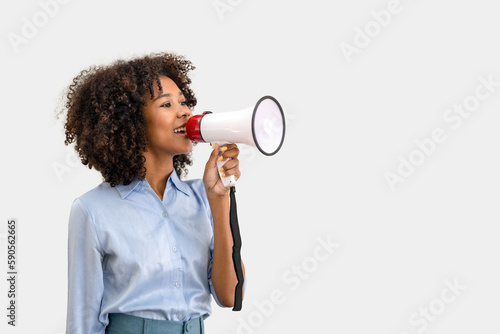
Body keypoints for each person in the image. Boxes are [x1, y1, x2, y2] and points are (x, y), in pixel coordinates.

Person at [61, 52, 245, 334]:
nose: (184, 112)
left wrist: (219, 199)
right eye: (167, 104)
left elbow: (230, 295)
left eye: (184, 102)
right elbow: (83, 321)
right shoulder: (92, 210)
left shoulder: (203, 196)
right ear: (131, 121)